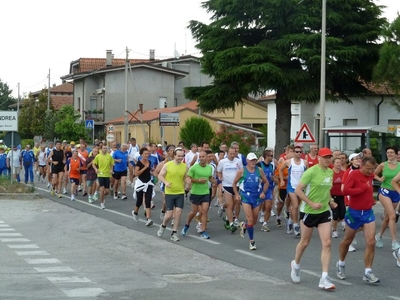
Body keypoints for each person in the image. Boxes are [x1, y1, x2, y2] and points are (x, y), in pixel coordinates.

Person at [290, 148, 337, 290]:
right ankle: (296, 265)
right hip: (309, 211)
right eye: (325, 157)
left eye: (329, 157)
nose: (327, 160)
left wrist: (330, 200)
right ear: (318, 158)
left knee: (327, 243)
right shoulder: (310, 172)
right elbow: (298, 190)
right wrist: (311, 203)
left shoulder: (330, 172)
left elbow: (326, 189)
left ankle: (324, 277)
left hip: (323, 211)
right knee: (304, 243)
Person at [336, 156, 380, 284]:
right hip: (354, 213)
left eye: (372, 169)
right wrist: (362, 189)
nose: (370, 172)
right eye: (368, 169)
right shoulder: (354, 174)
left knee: (371, 242)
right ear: (362, 166)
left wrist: (371, 199)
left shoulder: (371, 176)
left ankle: (368, 272)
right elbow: (345, 191)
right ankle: (341, 263)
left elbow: (369, 189)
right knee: (348, 240)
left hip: (367, 213)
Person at [233, 153, 268, 250]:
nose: (253, 162)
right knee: (250, 219)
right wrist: (237, 194)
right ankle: (251, 241)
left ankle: (244, 225)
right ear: (247, 161)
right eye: (251, 160)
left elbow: (266, 182)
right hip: (246, 197)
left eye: (254, 160)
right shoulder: (242, 171)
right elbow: (234, 183)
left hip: (256, 197)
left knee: (254, 221)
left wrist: (263, 192)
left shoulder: (259, 170)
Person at [181, 150, 215, 239]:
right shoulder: (194, 168)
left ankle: (203, 231)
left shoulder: (209, 168)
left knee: (204, 211)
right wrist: (198, 181)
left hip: (205, 192)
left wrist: (214, 181)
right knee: (194, 212)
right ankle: (186, 225)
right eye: (200, 157)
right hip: (195, 192)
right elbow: (188, 179)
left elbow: (210, 177)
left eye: (203, 157)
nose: (201, 158)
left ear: (207, 157)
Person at [157, 148, 187, 242]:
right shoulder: (167, 165)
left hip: (180, 192)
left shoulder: (185, 166)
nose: (180, 158)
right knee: (169, 215)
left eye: (182, 156)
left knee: (178, 213)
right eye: (178, 156)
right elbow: (160, 175)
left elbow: (186, 178)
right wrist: (166, 182)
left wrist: (188, 183)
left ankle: (174, 233)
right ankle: (163, 225)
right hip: (170, 192)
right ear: (174, 155)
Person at [374, 146, 400, 251]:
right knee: (393, 216)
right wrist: (380, 179)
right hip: (385, 191)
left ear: (396, 154)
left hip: (396, 192)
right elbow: (373, 174)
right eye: (387, 152)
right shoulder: (383, 165)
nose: (389, 154)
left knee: (388, 218)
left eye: (391, 152)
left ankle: (379, 236)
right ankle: (394, 241)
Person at [279, 144, 308, 236]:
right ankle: (296, 226)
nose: (299, 153)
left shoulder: (305, 162)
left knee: (297, 206)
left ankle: (290, 221)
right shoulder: (288, 162)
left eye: (300, 152)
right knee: (295, 205)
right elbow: (280, 169)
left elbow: (308, 174)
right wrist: (282, 180)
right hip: (291, 187)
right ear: (294, 153)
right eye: (297, 152)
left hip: (301, 187)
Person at [217, 147, 244, 233]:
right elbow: (218, 171)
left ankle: (224, 211)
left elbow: (242, 171)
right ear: (227, 153)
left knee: (234, 204)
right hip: (227, 185)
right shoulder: (222, 162)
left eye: (233, 154)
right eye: (230, 154)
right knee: (230, 204)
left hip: (236, 185)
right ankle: (231, 223)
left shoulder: (238, 161)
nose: (232, 155)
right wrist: (219, 176)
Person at [132, 147, 156, 226]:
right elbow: (136, 173)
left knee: (148, 200)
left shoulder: (149, 161)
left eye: (148, 154)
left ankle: (148, 219)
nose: (147, 155)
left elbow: (148, 171)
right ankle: (135, 212)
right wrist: (145, 167)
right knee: (139, 201)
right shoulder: (139, 163)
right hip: (140, 183)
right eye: (145, 154)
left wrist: (151, 171)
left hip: (148, 183)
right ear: (141, 154)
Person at [257, 148, 277, 231]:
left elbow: (272, 176)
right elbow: (254, 174)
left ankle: (265, 224)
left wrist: (275, 180)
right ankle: (249, 220)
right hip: (258, 189)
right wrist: (259, 179)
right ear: (266, 156)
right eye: (271, 156)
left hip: (268, 188)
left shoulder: (271, 166)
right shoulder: (259, 165)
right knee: (257, 208)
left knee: (268, 206)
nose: (272, 157)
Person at [92, 145, 114, 209]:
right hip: (100, 175)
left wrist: (111, 170)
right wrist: (96, 169)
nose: (105, 149)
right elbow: (93, 164)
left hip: (107, 175)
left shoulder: (109, 156)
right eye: (104, 148)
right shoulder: (98, 156)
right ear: (101, 149)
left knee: (107, 191)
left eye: (106, 148)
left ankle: (102, 197)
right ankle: (101, 203)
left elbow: (111, 164)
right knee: (102, 189)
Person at [331, 157, 345, 238]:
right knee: (335, 214)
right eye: (337, 162)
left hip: (342, 196)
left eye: (340, 162)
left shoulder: (343, 173)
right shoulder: (330, 172)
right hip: (333, 196)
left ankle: (331, 223)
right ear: (333, 164)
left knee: (342, 214)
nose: (339, 164)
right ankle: (334, 230)